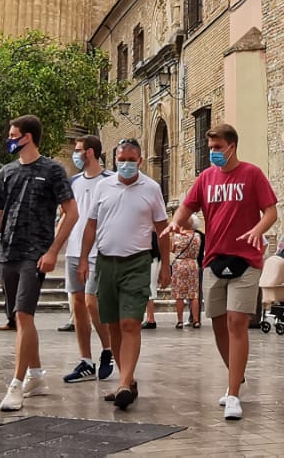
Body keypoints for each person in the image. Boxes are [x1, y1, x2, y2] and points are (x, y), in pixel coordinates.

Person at [167, 123, 278, 421]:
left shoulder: (252, 174)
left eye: (217, 148)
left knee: (236, 321)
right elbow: (186, 207)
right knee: (217, 323)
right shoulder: (206, 178)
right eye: (210, 148)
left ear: (232, 146)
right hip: (213, 258)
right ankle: (235, 376)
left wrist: (257, 230)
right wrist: (176, 221)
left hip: (246, 259)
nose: (213, 153)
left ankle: (233, 394)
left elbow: (271, 211)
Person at [0, 115, 80, 413]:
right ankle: (36, 375)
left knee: (24, 314)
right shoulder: (7, 171)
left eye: (13, 135)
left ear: (28, 137)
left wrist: (53, 251)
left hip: (35, 254)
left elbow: (72, 213)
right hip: (8, 254)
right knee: (19, 317)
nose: (9, 139)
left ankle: (16, 384)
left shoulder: (53, 170)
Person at [77, 139, 169, 410]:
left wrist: (166, 264)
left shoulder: (151, 188)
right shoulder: (103, 187)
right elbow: (91, 225)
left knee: (130, 322)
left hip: (137, 263)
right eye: (121, 159)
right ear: (115, 160)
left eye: (131, 160)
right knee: (113, 325)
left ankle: (125, 383)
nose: (126, 164)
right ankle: (126, 380)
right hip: (106, 262)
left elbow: (162, 228)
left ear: (140, 161)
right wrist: (83, 259)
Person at [61, 134, 113, 385]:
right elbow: (65, 215)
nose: (75, 154)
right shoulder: (73, 182)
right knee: (78, 305)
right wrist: (54, 246)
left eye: (78, 149)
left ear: (90, 152)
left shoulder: (111, 180)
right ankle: (86, 361)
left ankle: (108, 349)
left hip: (97, 252)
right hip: (73, 250)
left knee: (93, 303)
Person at [169, 223, 203, 328]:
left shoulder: (177, 237)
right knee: (194, 294)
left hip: (180, 264)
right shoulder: (197, 236)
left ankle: (180, 321)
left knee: (179, 294)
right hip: (193, 264)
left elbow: (172, 249)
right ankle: (196, 321)